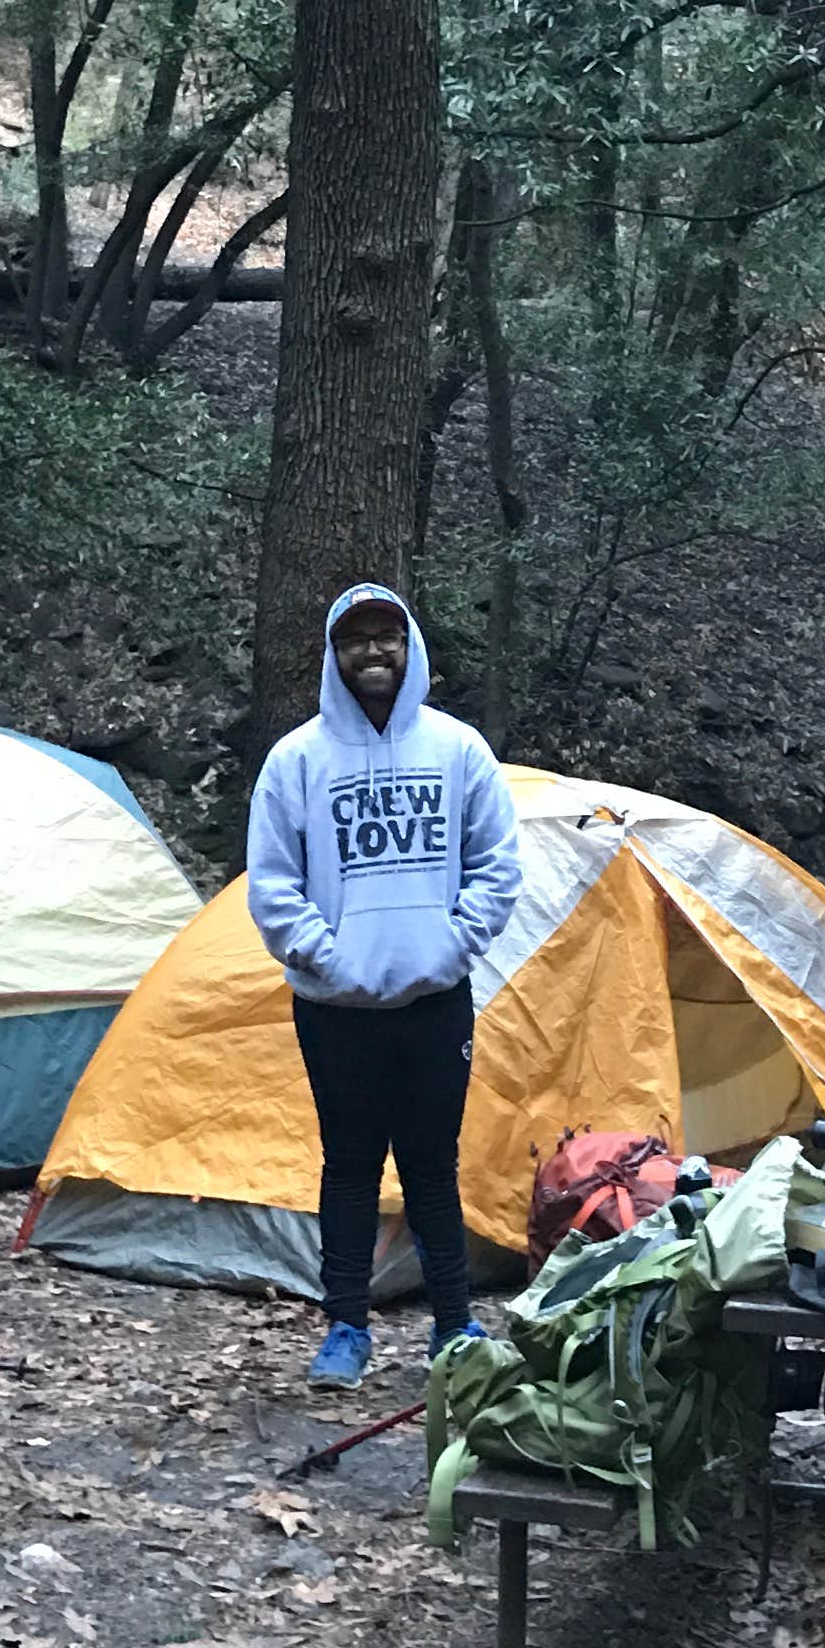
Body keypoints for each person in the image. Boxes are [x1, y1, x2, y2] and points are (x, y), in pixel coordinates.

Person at [246, 584, 522, 1392]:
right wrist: (325, 958)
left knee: (433, 1166)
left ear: (411, 649)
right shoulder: (296, 760)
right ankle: (346, 1327)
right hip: (336, 1010)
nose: (373, 651)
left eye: (387, 637)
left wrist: (450, 946)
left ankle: (453, 1325)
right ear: (334, 655)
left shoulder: (458, 751)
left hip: (435, 1003)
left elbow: (497, 865)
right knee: (350, 1165)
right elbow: (271, 881)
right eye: (356, 639)